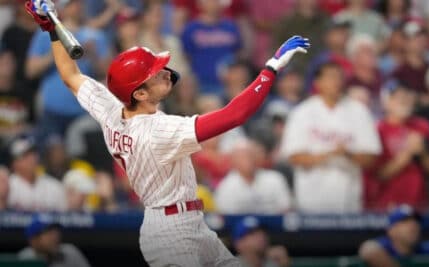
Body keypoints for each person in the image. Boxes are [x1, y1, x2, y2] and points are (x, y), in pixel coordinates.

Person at [25, 1, 309, 265]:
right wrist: (270, 69)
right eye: (154, 72)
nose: (164, 72)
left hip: (191, 223)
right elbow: (234, 114)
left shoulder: (111, 109)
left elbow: (70, 75)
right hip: (171, 232)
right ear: (139, 92)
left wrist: (51, 27)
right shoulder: (158, 130)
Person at [280, 62, 381, 213]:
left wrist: (347, 153)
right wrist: (330, 154)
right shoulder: (302, 112)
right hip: (311, 202)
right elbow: (294, 156)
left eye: (340, 77)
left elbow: (371, 157)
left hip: (349, 200)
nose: (336, 82)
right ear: (317, 82)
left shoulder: (359, 111)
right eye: (331, 77)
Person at [26, 0, 111, 144]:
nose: (76, 7)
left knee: (82, 160)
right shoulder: (45, 34)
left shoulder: (94, 36)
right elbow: (31, 70)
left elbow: (107, 74)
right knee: (52, 155)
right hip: (52, 111)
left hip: (84, 112)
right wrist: (59, 50)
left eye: (79, 3)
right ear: (61, 9)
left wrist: (93, 55)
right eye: (71, 4)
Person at [364, 84, 429, 211]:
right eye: (398, 97)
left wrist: (423, 152)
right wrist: (407, 153)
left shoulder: (423, 127)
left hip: (419, 201)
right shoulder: (377, 130)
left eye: (407, 97)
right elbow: (378, 174)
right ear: (386, 102)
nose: (404, 101)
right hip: (387, 202)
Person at [359, 204, 429, 267]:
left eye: (415, 221)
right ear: (391, 230)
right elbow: (368, 250)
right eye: (405, 221)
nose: (413, 225)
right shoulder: (385, 245)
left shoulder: (423, 247)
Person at [214, 139, 292, 214]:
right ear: (233, 160)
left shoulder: (275, 179)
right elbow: (224, 218)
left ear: (257, 157)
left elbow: (286, 210)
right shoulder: (226, 186)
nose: (247, 160)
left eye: (250, 155)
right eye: (242, 157)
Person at [7, 135, 66, 212]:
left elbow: (64, 217)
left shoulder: (54, 186)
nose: (32, 158)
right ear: (14, 163)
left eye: (33, 154)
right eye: (25, 156)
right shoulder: (7, 186)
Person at [18, 214, 91, 267]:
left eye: (56, 232)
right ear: (34, 240)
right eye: (49, 233)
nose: (55, 237)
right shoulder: (25, 258)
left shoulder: (70, 253)